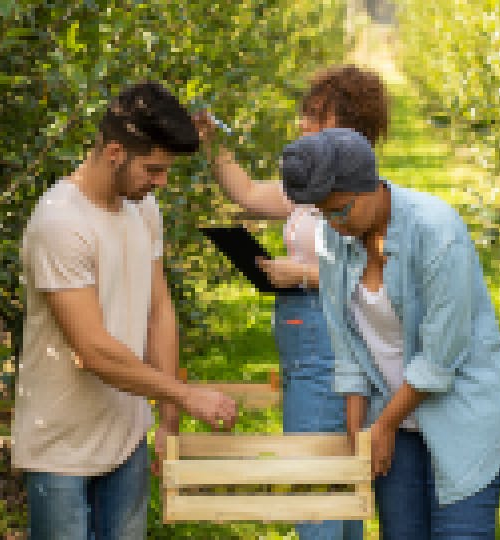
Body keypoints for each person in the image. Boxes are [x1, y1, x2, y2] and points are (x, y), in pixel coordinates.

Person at [12, 81, 239, 540]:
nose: (161, 182)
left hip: (128, 438)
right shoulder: (60, 222)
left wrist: (168, 421)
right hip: (62, 450)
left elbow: (159, 309)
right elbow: (93, 351)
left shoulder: (143, 208)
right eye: (153, 169)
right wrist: (186, 395)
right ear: (114, 151)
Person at [280, 128, 500, 539]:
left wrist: (384, 426)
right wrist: (360, 436)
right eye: (324, 214)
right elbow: (348, 349)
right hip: (392, 421)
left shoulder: (436, 230)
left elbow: (439, 358)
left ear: (371, 185)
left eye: (340, 210)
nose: (335, 225)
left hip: (463, 417)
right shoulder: (334, 240)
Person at [194, 65, 388, 540]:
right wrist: (210, 143)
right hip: (307, 340)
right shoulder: (310, 182)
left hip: (328, 340)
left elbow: (376, 269)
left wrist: (300, 274)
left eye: (315, 116)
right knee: (334, 471)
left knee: (316, 473)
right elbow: (247, 193)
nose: (303, 123)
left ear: (347, 127)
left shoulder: (358, 191)